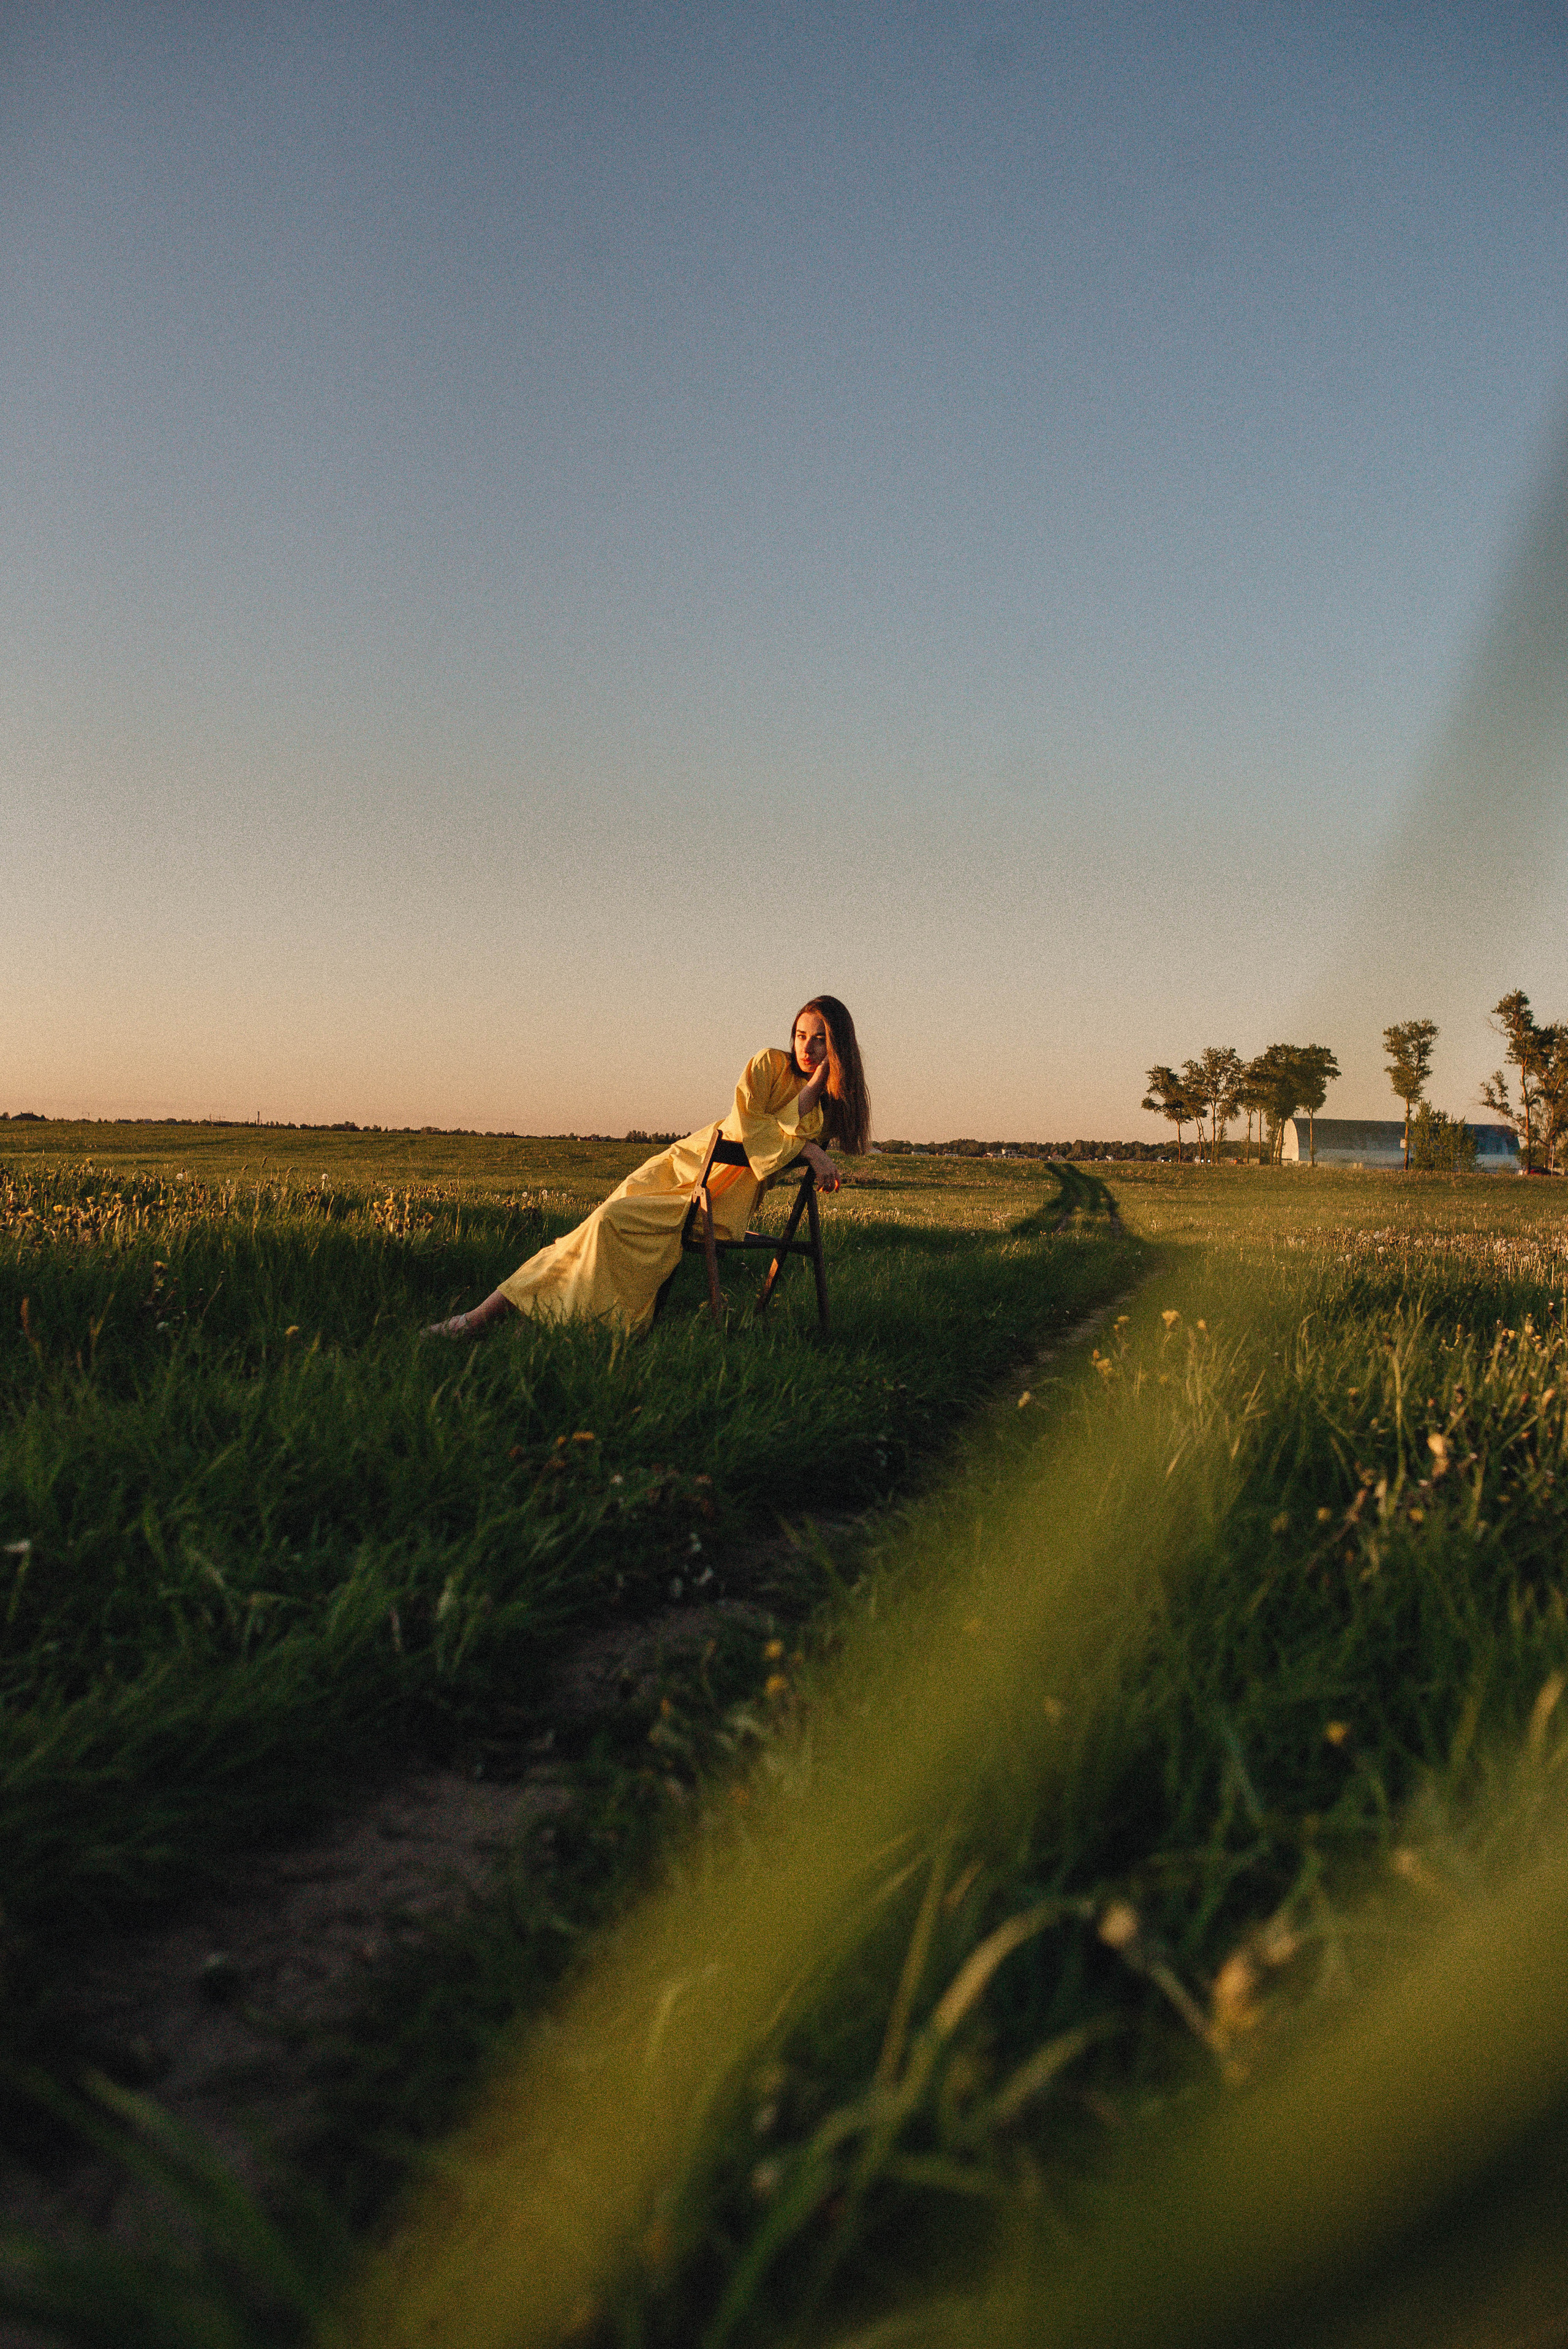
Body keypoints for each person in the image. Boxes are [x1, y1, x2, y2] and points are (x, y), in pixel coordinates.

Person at [427, 996, 870, 1340]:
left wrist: (810, 1114)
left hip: (713, 1204)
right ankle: (485, 1318)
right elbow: (745, 1126)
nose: (806, 1047)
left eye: (819, 1039)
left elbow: (774, 1143)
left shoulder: (828, 1108)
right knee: (590, 1229)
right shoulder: (768, 1063)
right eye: (800, 1035)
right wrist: (807, 1150)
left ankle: (533, 1321)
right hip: (683, 1170)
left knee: (606, 1225)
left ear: (837, 1045)